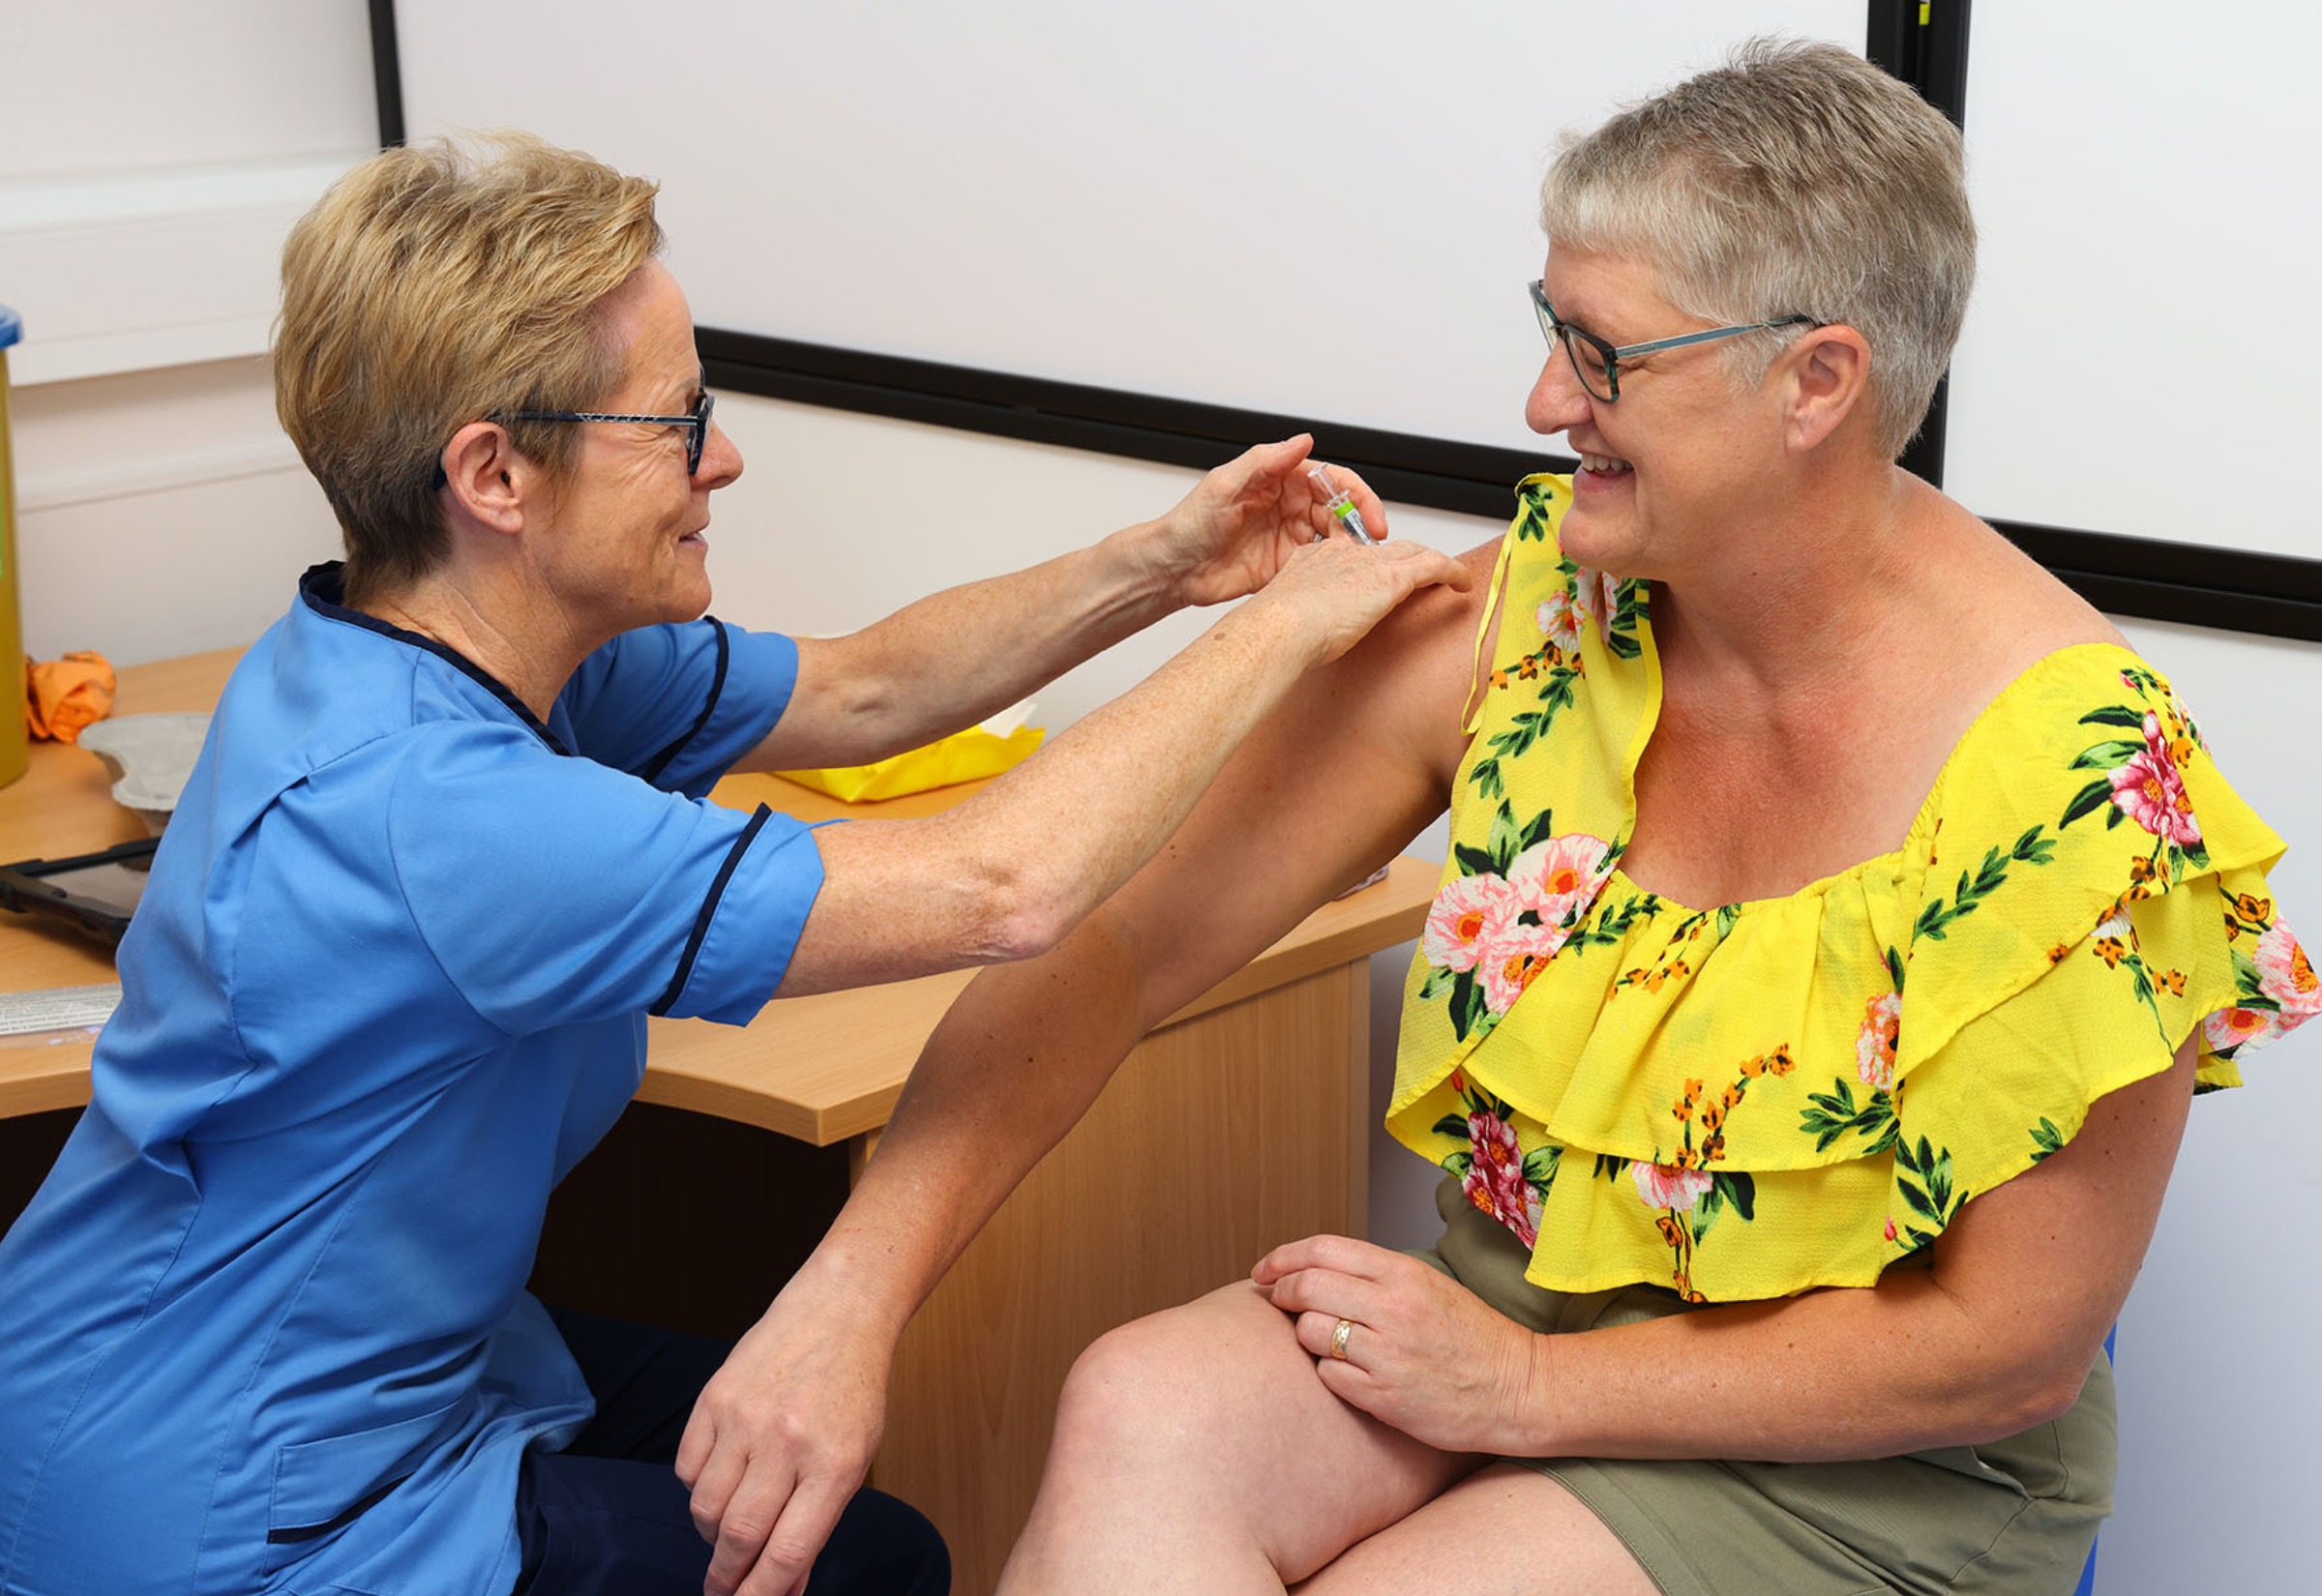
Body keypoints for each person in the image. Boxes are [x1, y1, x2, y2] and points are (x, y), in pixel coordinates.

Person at [689, 40, 2319, 1596]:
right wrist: (849, 1294)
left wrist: (1531, 1389)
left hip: (1850, 1472)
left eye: (1603, 354)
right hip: (1500, 1342)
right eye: (1550, 325)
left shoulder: (2089, 785)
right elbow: (1115, 938)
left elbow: (2011, 1344)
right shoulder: (1534, 620)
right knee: (1137, 1401)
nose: (1542, 402)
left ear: (1818, 380)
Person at [0, 135, 1468, 1596]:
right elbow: (1003, 887)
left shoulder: (447, 652)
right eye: (675, 418)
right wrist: (1289, 628)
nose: (726, 454)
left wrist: (1166, 558)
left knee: (798, 1476)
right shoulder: (448, 812)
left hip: (325, 1361)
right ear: (495, 474)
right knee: (870, 1558)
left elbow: (872, 690)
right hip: (221, 1504)